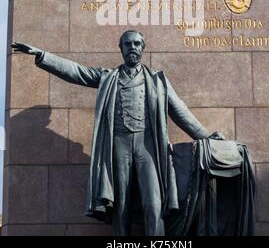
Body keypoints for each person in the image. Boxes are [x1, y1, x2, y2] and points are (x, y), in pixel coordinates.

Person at [12, 30, 223, 236]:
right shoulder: (108, 77)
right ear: (120, 48)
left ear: (143, 48)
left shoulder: (158, 81)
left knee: (154, 202)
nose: (132, 47)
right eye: (127, 44)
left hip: (148, 146)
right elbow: (77, 72)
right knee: (121, 203)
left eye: (136, 44)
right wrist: (42, 56)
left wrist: (205, 136)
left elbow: (180, 112)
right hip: (118, 145)